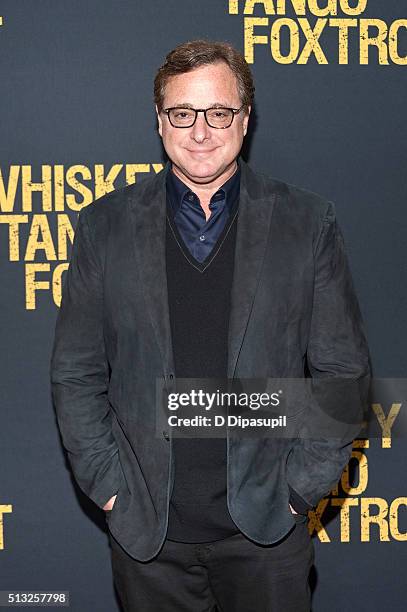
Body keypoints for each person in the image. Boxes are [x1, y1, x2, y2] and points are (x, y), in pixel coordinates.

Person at [50, 39, 371, 612]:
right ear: (160, 120)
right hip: (148, 538)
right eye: (183, 113)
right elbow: (76, 373)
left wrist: (299, 491)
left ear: (244, 121)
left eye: (218, 112)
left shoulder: (306, 222)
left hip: (268, 534)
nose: (201, 131)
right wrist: (110, 488)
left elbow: (342, 372)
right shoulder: (104, 226)